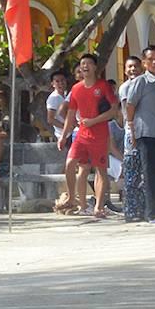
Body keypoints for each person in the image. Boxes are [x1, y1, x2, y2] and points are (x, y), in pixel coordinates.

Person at [58, 54, 119, 217]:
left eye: (88, 63)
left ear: (95, 67)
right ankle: (72, 198)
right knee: (70, 163)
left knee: (100, 171)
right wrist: (63, 136)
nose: (85, 66)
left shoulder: (103, 86)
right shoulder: (76, 89)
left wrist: (94, 121)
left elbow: (113, 109)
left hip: (99, 134)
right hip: (81, 134)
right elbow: (71, 114)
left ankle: (99, 206)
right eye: (82, 63)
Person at [124, 45, 155, 220]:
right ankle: (152, 213)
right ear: (144, 63)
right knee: (150, 173)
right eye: (150, 59)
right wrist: (131, 127)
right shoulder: (140, 82)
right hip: (145, 134)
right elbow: (130, 105)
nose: (154, 62)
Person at [118, 55, 147, 222]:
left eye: (136, 66)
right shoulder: (125, 88)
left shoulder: (145, 85)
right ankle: (130, 210)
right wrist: (132, 130)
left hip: (145, 132)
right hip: (131, 134)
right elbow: (126, 111)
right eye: (129, 66)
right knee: (131, 174)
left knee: (143, 175)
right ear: (125, 70)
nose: (133, 69)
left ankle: (142, 209)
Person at [45, 69, 72, 144]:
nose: (61, 83)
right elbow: (50, 119)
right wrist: (66, 128)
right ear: (53, 84)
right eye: (57, 81)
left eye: (62, 80)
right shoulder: (53, 98)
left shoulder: (65, 95)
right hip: (63, 135)